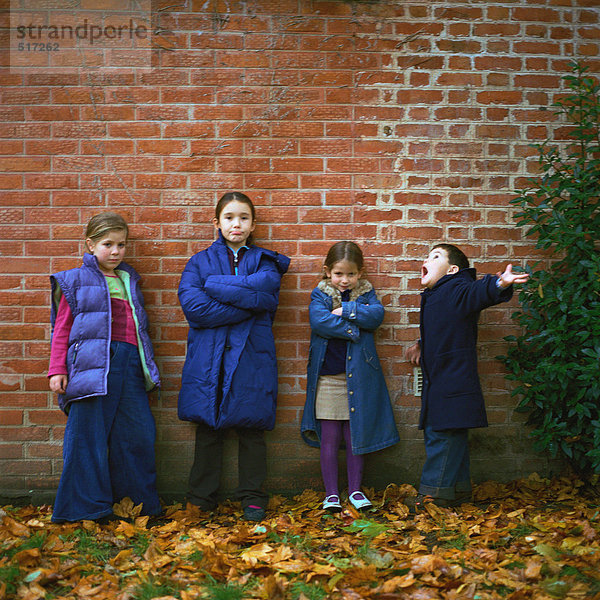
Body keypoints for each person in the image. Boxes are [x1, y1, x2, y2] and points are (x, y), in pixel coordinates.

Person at [178, 192, 290, 522]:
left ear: (253, 224)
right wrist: (246, 304)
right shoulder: (198, 263)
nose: (236, 223)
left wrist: (213, 286)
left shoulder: (266, 263)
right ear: (217, 223)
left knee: (251, 430)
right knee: (208, 429)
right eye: (229, 217)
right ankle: (200, 498)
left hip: (252, 358)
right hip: (209, 358)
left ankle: (253, 498)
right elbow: (195, 309)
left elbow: (266, 295)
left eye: (243, 217)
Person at [48, 212, 161, 523]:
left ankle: (136, 506)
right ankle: (84, 509)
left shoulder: (129, 279)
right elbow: (62, 329)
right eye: (107, 244)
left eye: (121, 245)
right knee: (87, 437)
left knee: (136, 434)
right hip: (91, 366)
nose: (115, 251)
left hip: (130, 366)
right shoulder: (75, 280)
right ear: (90, 244)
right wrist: (57, 369)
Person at [405, 243, 530, 511]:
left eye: (436, 256)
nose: (427, 259)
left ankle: (433, 495)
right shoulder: (437, 294)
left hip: (453, 383)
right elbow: (444, 329)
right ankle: (459, 492)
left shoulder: (457, 289)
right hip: (442, 382)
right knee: (451, 436)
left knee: (443, 435)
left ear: (452, 270)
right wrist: (421, 343)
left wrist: (500, 284)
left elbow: (479, 293)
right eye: (428, 255)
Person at [301, 241, 400, 512]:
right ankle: (331, 494)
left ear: (360, 273)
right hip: (328, 379)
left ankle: (356, 491)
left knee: (356, 436)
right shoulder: (320, 295)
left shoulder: (366, 294)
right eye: (338, 274)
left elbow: (376, 316)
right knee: (330, 437)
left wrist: (345, 311)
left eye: (351, 274)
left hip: (359, 379)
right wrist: (354, 330)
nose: (345, 280)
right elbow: (319, 321)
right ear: (327, 272)